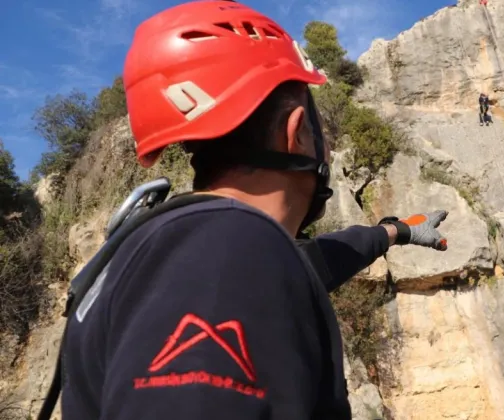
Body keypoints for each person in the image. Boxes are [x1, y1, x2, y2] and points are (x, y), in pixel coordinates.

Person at [56, 2, 450, 420]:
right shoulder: (227, 251)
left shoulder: (204, 249)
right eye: (322, 134)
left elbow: (314, 262)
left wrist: (396, 231)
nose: (329, 150)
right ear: (296, 132)